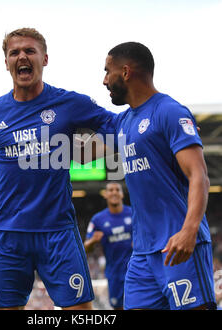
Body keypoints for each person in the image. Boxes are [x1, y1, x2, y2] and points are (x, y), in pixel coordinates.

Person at [0, 28, 117, 310]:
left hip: (57, 232)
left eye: (30, 51)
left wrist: (86, 152)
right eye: (15, 52)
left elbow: (117, 127)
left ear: (44, 59)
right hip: (7, 235)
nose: (22, 56)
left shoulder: (69, 103)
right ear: (6, 62)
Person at [99, 41, 216, 309]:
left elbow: (199, 175)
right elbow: (80, 153)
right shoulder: (123, 122)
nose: (104, 80)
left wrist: (189, 231)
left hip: (180, 246)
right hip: (142, 254)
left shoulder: (169, 111)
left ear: (126, 72)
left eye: (108, 71)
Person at [84, 182, 132, 310]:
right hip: (114, 273)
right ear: (105, 194)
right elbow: (86, 248)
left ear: (122, 194)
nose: (114, 192)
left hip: (135, 270)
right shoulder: (98, 219)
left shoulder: (133, 213)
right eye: (110, 190)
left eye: (117, 189)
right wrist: (93, 240)